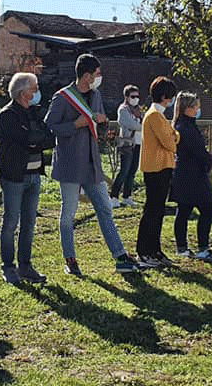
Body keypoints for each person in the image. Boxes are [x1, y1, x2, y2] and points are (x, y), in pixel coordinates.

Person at [44, 53, 141, 275]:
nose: (100, 77)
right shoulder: (62, 98)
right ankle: (70, 259)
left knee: (105, 209)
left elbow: (96, 122)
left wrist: (105, 128)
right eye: (97, 73)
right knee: (68, 213)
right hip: (70, 164)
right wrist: (75, 124)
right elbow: (50, 126)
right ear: (87, 75)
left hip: (92, 164)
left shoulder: (96, 95)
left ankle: (120, 257)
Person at [0, 72, 55, 285]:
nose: (37, 92)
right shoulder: (8, 114)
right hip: (14, 176)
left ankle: (25, 265)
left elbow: (49, 138)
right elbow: (25, 138)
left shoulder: (35, 113)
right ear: (23, 92)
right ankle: (8, 266)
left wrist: (35, 141)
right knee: (11, 221)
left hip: (34, 174)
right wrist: (35, 140)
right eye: (34, 88)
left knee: (29, 223)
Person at [171, 92, 212, 263]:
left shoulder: (181, 125)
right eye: (196, 107)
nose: (199, 110)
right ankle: (203, 247)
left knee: (183, 210)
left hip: (184, 174)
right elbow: (198, 150)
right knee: (207, 209)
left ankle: (182, 247)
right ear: (188, 109)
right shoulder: (187, 128)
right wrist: (209, 160)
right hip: (194, 175)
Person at [136, 76, 179, 267]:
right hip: (156, 168)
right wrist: (174, 136)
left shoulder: (159, 116)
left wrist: (173, 135)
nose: (171, 101)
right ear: (164, 96)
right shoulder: (154, 115)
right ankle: (145, 251)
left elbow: (172, 136)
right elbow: (170, 141)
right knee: (152, 211)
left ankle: (155, 249)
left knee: (158, 210)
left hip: (162, 166)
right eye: (170, 97)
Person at [110, 84, 143, 208]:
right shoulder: (123, 109)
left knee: (132, 171)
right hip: (127, 144)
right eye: (133, 96)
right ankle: (113, 196)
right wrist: (143, 126)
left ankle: (127, 196)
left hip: (138, 143)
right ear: (127, 97)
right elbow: (131, 124)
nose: (136, 98)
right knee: (124, 171)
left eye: (137, 96)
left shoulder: (138, 110)